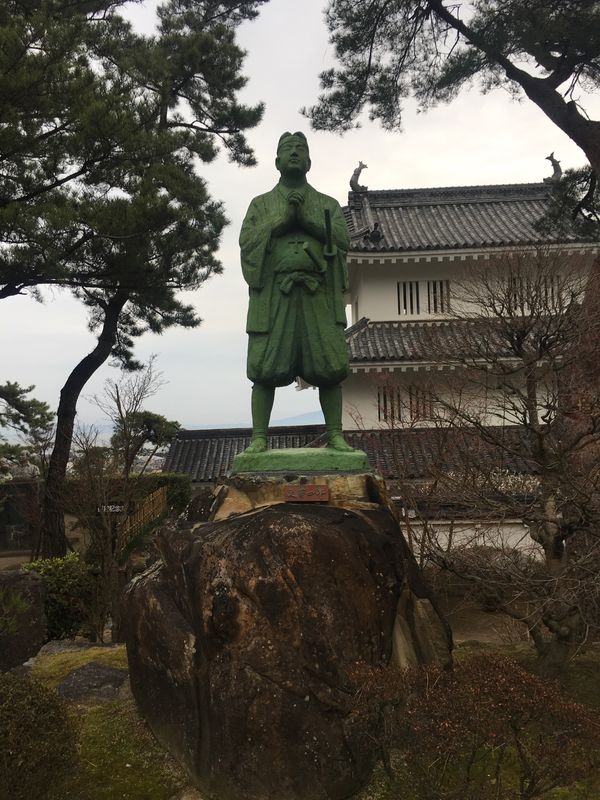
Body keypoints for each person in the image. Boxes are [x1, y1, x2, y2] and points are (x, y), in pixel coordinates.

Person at [239, 131, 353, 453]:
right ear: (276, 161)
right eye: (287, 149)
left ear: (309, 161)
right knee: (263, 368)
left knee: (329, 367)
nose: (293, 153)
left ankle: (335, 435)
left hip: (318, 294)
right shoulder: (260, 205)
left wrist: (306, 219)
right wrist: (284, 220)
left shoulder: (327, 205)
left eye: (300, 149)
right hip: (276, 295)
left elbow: (342, 242)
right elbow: (247, 242)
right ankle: (259, 437)